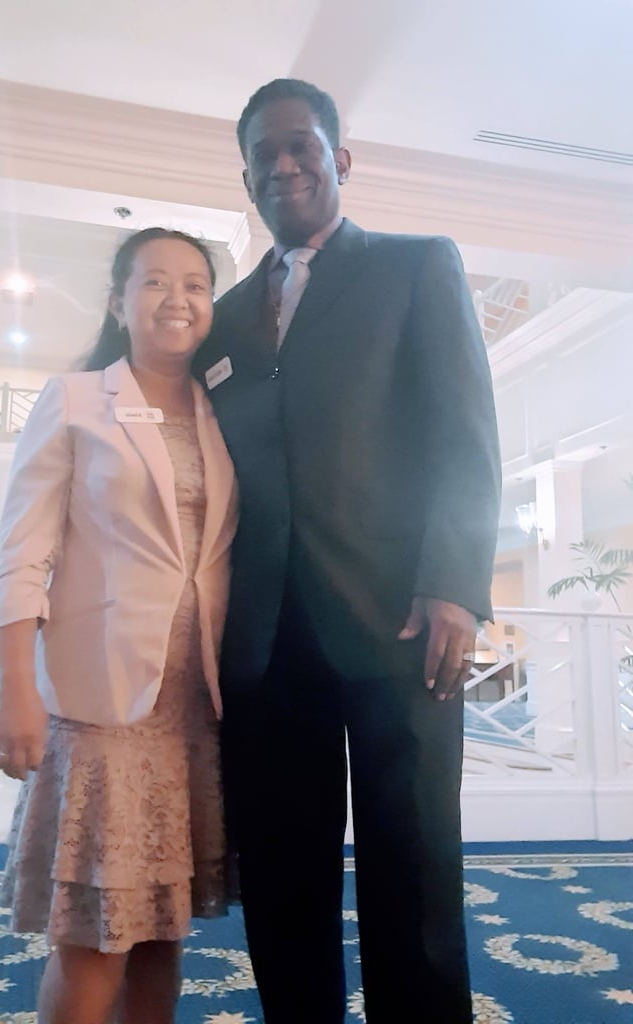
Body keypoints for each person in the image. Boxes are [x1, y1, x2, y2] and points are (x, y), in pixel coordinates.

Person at [192, 79, 502, 1023]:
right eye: (264, 154)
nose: (284, 165)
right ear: (246, 178)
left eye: (303, 146)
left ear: (341, 160)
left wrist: (455, 586)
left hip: (401, 621)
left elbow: (463, 436)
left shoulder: (416, 266)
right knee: (282, 870)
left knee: (414, 861)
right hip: (265, 640)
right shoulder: (225, 316)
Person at [0, 227, 238, 1024]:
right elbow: (22, 554)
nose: (177, 299)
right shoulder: (76, 398)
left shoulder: (224, 411)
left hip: (195, 712)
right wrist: (17, 691)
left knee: (162, 936)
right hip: (102, 710)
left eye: (195, 284)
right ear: (118, 302)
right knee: (93, 942)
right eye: (155, 281)